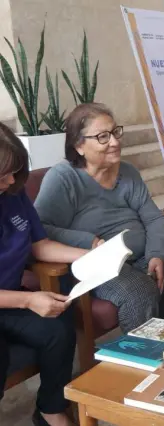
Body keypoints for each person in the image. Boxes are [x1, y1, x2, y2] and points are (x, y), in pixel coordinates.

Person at [34, 103, 164, 333]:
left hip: (140, 255)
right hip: (100, 266)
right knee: (139, 291)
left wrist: (156, 256)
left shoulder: (127, 171)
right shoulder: (63, 179)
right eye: (103, 137)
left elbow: (154, 218)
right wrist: (88, 241)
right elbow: (39, 229)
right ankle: (143, 357)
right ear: (79, 146)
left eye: (114, 132)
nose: (114, 142)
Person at [0, 123, 90, 426]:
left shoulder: (13, 192)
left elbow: (39, 246)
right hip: (9, 301)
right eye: (3, 174)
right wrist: (27, 301)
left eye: (15, 171)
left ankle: (50, 409)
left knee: (58, 326)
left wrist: (89, 256)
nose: (12, 180)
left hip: (9, 300)